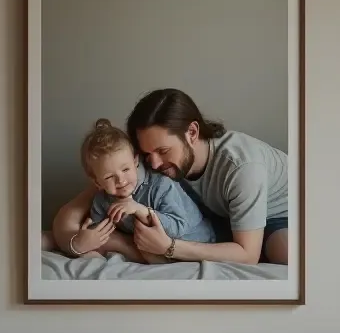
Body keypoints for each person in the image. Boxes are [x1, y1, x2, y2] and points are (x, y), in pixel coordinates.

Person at [52, 88, 289, 265]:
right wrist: (74, 241)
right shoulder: (145, 162)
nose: (153, 163)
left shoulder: (242, 168)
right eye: (146, 154)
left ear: (192, 133)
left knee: (287, 255)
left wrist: (170, 247)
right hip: (223, 222)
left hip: (285, 216)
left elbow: (248, 256)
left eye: (162, 151)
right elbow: (70, 216)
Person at [67, 119, 215, 259]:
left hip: (194, 241)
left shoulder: (161, 185)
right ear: (97, 182)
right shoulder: (102, 200)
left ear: (135, 161)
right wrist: (88, 237)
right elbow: (100, 230)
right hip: (152, 247)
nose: (121, 180)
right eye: (108, 177)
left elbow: (178, 227)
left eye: (125, 169)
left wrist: (140, 210)